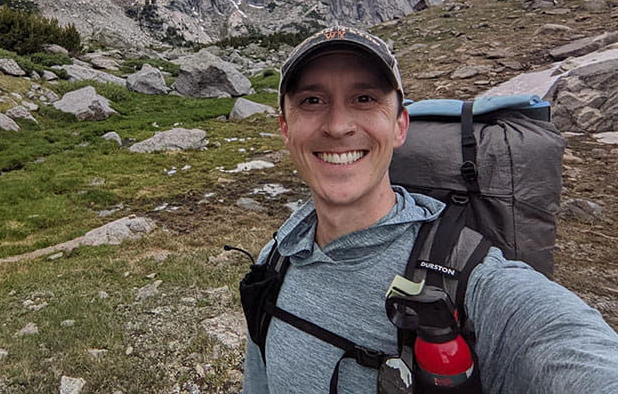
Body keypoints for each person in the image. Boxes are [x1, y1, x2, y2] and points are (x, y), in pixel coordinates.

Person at [241, 25, 618, 393]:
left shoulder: (473, 283)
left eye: (365, 98)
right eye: (312, 101)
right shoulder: (277, 258)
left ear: (400, 125)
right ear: (285, 128)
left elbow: (573, 350)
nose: (338, 126)